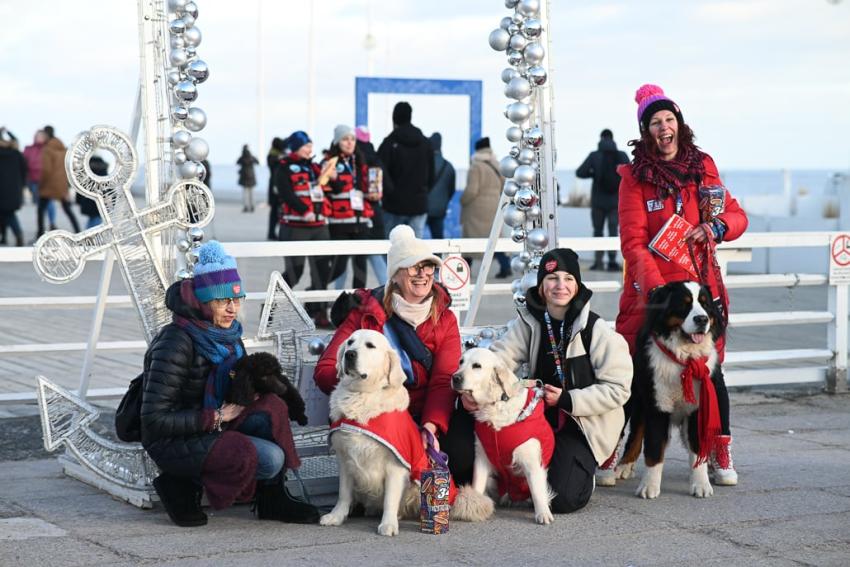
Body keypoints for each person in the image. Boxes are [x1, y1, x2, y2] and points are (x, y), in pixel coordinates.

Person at [614, 84, 748, 486]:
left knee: (712, 374)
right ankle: (616, 451)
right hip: (656, 296)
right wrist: (656, 289)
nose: (664, 127)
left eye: (669, 119)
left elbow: (738, 216)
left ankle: (716, 448)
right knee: (635, 376)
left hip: (703, 289)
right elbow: (633, 243)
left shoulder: (702, 167)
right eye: (655, 122)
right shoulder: (634, 179)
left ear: (679, 123)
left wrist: (716, 226)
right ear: (646, 132)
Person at [140, 240, 319, 527]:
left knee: (272, 407)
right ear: (203, 301)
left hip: (214, 422)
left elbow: (240, 387)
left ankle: (273, 498)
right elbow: (154, 420)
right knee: (260, 456)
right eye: (223, 301)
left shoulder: (228, 335)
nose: (232, 309)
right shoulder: (175, 343)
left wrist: (264, 387)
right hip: (174, 439)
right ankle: (180, 482)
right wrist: (216, 416)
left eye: (236, 300)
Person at [457, 248, 631, 513]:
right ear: (541, 286)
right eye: (552, 278)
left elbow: (619, 389)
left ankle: (587, 473)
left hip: (582, 423)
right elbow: (499, 358)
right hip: (538, 415)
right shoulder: (530, 323)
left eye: (568, 278)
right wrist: (473, 387)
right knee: (476, 456)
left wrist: (568, 399)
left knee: (561, 499)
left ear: (577, 285)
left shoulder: (597, 332)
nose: (560, 285)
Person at [314, 225, 464, 473]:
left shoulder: (445, 319)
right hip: (371, 413)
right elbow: (325, 371)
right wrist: (365, 389)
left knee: (460, 455)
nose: (423, 274)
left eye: (428, 266)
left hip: (420, 414)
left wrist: (430, 427)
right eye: (414, 267)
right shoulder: (364, 312)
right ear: (394, 275)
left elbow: (442, 381)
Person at [275, 130, 332, 328]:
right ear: (297, 147)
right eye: (306, 146)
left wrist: (330, 176)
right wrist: (303, 210)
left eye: (310, 146)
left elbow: (330, 188)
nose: (310, 149)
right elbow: (285, 193)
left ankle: (319, 312)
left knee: (322, 271)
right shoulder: (283, 167)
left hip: (319, 226)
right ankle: (271, 305)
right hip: (295, 226)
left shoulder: (315, 168)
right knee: (295, 271)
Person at [324, 124, 375, 290]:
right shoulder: (329, 162)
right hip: (340, 223)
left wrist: (373, 193)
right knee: (338, 268)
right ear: (337, 141)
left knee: (361, 270)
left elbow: (364, 189)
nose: (350, 143)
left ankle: (358, 307)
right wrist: (334, 178)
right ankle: (314, 298)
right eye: (345, 139)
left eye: (352, 139)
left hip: (361, 222)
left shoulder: (359, 161)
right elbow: (328, 190)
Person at [377, 102, 434, 238]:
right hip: (419, 204)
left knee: (391, 249)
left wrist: (390, 193)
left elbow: (380, 171)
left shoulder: (389, 143)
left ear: (394, 118)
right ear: (410, 117)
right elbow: (432, 175)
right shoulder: (425, 143)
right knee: (416, 251)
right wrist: (423, 191)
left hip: (393, 205)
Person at [575, 129, 630, 271]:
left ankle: (598, 262)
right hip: (616, 201)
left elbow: (580, 172)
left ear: (601, 138)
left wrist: (594, 174)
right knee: (613, 231)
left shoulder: (594, 156)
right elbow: (631, 174)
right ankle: (612, 263)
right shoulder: (622, 155)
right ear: (612, 138)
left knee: (598, 231)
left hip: (598, 201)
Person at [460, 137, 511, 278]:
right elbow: (504, 186)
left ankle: (464, 271)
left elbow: (472, 190)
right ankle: (505, 267)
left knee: (470, 239)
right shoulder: (497, 164)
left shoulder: (476, 167)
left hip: (477, 209)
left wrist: (462, 200)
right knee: (495, 238)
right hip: (494, 207)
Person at [355, 125, 388, 286]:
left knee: (343, 258)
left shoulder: (352, 159)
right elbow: (386, 185)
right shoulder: (376, 158)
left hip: (355, 213)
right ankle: (388, 288)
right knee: (376, 255)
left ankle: (334, 296)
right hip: (375, 211)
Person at [37, 125, 80, 237]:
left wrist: (40, 185)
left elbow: (46, 170)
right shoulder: (63, 149)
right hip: (61, 185)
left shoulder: (47, 150)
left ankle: (39, 234)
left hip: (49, 185)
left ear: (46, 135)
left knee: (41, 210)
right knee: (68, 210)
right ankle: (78, 231)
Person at [22, 130, 56, 229]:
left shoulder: (49, 149)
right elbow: (24, 163)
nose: (39, 138)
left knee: (49, 202)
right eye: (37, 136)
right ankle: (42, 226)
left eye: (41, 136)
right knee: (39, 204)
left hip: (46, 180)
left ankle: (52, 223)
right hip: (33, 179)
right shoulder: (29, 149)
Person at [425, 132, 455, 240]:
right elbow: (451, 189)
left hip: (424, 206)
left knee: (417, 239)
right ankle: (438, 256)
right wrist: (444, 201)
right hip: (440, 209)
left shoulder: (424, 163)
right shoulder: (448, 166)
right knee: (438, 238)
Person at [0, 128, 26, 246]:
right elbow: (24, 171)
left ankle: (18, 235)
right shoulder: (16, 154)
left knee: (8, 214)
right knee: (7, 213)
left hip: (3, 190)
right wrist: (8, 132)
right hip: (13, 190)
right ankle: (6, 237)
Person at [76, 154, 108, 229]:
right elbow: (108, 187)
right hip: (100, 201)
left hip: (88, 201)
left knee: (92, 219)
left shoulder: (85, 170)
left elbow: (79, 186)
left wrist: (78, 200)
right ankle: (90, 236)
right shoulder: (103, 170)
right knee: (96, 219)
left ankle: (88, 235)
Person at [266, 137, 287, 240]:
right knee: (276, 212)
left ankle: (273, 233)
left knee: (275, 212)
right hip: (276, 187)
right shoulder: (274, 157)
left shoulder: (273, 155)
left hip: (274, 186)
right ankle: (273, 233)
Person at [236, 145, 259, 213]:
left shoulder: (242, 157)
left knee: (245, 193)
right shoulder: (251, 157)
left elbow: (237, 162)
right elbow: (257, 162)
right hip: (251, 177)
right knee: (251, 193)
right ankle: (252, 206)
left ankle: (246, 206)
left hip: (244, 177)